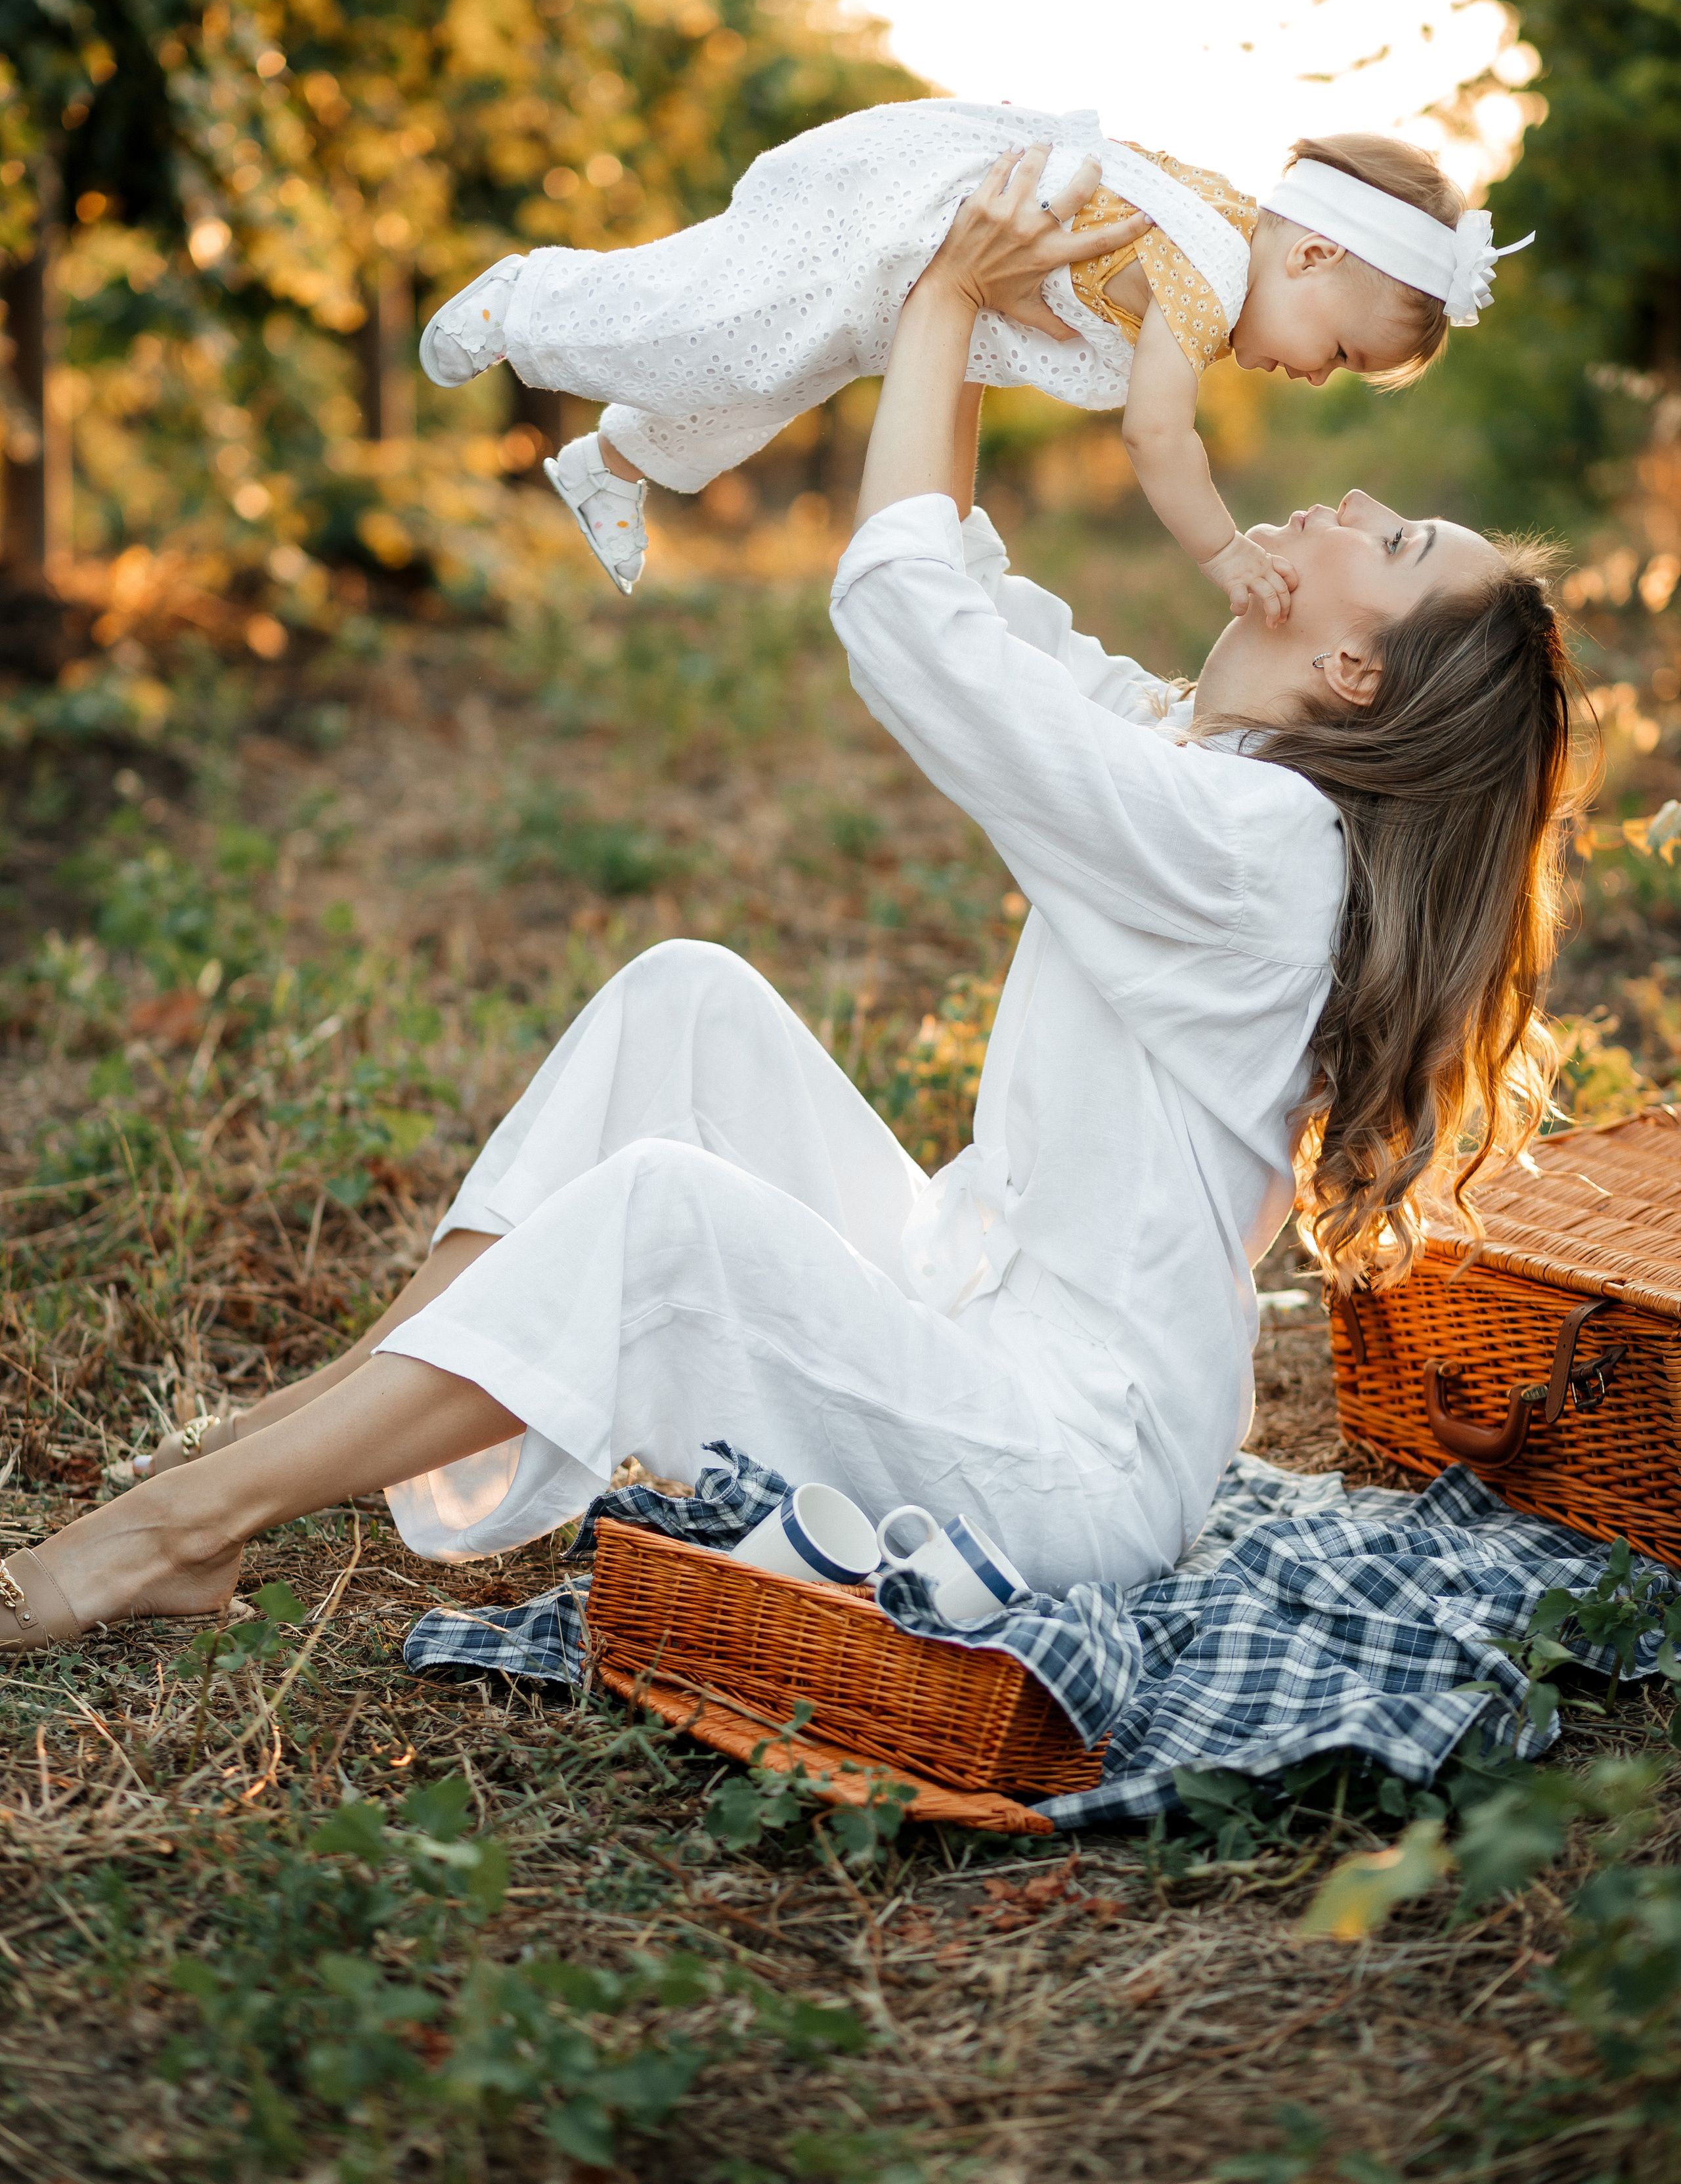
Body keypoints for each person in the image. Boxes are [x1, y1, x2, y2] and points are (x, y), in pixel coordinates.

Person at [0, 150, 1577, 1657]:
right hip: (970, 1309)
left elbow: (904, 628)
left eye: (1390, 538)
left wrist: (949, 306)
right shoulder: (1201, 759)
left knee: (665, 1210)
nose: (1349, 496)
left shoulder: (1253, 842)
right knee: (684, 995)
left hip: (1064, 1464)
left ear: (1355, 669)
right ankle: (345, 1398)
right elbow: (954, 583)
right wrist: (953, 305)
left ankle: (178, 1530)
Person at [420, 102, 1530, 622]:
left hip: (916, 278)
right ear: (1316, 254)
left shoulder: (1220, 241)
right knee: (711, 312)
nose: (1318, 377)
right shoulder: (1210, 271)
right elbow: (1157, 435)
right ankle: (535, 299)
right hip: (895, 220)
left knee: (765, 373)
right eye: (1337, 351)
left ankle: (615, 461)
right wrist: (1221, 550)